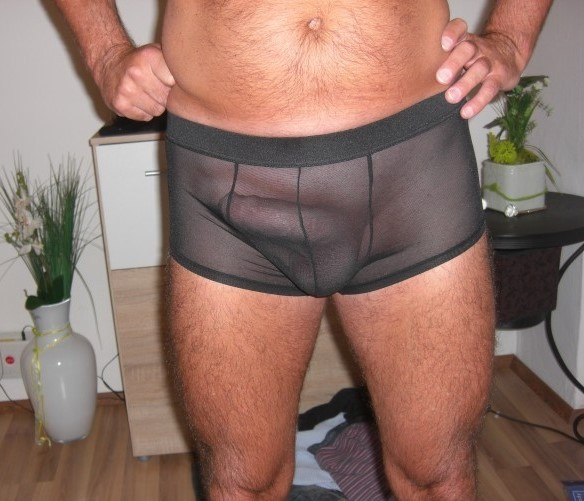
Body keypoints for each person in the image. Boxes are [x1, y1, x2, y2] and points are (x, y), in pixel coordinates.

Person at [54, 1, 552, 499]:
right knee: (244, 482)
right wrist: (107, 55)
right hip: (224, 181)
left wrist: (510, 39)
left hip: (414, 169)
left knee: (437, 477)